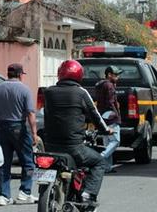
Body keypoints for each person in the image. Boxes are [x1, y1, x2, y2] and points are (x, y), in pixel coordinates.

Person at [44, 60, 112, 206]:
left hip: (49, 146)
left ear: (60, 74)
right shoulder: (81, 92)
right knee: (99, 162)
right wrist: (106, 130)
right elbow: (95, 115)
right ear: (79, 75)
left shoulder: (48, 92)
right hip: (74, 147)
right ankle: (88, 195)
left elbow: (46, 114)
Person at [0, 63, 39, 206]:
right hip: (18, 128)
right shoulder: (24, 90)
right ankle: (25, 192)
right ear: (20, 74)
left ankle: (3, 196)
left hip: (2, 127)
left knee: (3, 163)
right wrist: (34, 133)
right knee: (28, 161)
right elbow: (30, 113)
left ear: (8, 74)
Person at [96, 65, 122, 173]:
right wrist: (116, 115)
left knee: (107, 143)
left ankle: (107, 167)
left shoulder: (101, 84)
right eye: (115, 75)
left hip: (102, 116)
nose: (117, 77)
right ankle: (100, 159)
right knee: (116, 141)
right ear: (109, 75)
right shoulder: (109, 86)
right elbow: (111, 102)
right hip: (110, 117)